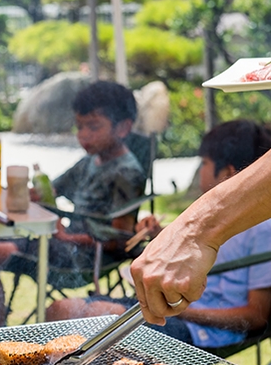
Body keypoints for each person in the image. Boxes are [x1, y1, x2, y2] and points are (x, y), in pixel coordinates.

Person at [48, 120, 271, 350]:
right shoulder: (209, 218)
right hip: (168, 309)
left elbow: (256, 316)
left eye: (204, 162)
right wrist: (161, 235)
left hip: (199, 329)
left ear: (229, 173)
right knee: (60, 309)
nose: (200, 169)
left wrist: (187, 313)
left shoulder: (263, 230)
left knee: (92, 319)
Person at [0, 80, 146, 329]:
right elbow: (51, 190)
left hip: (85, 256)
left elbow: (121, 240)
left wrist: (68, 237)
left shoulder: (127, 172)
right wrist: (28, 193)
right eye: (79, 127)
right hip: (61, 242)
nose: (83, 135)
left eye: (93, 127)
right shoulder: (91, 161)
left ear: (123, 128)